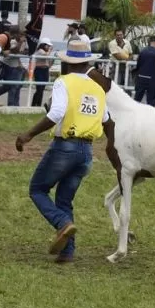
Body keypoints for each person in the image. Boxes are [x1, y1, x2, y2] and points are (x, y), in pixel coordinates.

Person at [16, 40, 111, 263]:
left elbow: (57, 112)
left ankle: (62, 224)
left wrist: (28, 134)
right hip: (87, 151)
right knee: (64, 200)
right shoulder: (97, 88)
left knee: (38, 189)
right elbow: (106, 119)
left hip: (65, 147)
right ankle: (67, 252)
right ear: (88, 62)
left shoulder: (63, 82)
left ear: (65, 62)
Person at [134, 35, 155, 107]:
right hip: (152, 79)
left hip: (141, 78)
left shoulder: (143, 51)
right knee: (151, 101)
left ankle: (133, 113)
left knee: (137, 99)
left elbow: (138, 65)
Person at [31, 37, 54, 107]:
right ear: (43, 45)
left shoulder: (46, 52)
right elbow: (45, 55)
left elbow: (48, 63)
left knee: (42, 89)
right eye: (48, 45)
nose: (49, 47)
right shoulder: (40, 51)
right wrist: (50, 50)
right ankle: (35, 104)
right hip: (39, 70)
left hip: (45, 70)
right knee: (39, 88)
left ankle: (37, 104)